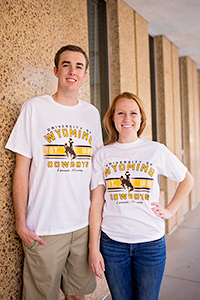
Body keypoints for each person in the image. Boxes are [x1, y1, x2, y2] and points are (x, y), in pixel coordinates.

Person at [6, 45, 103, 300]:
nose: (72, 71)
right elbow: (21, 169)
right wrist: (20, 223)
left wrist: (97, 224)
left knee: (77, 295)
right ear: (56, 70)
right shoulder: (34, 108)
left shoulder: (91, 114)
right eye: (66, 65)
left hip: (82, 226)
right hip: (45, 227)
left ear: (85, 74)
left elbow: (96, 174)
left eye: (79, 66)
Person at [89, 92, 194, 300]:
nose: (127, 119)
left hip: (150, 243)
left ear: (141, 118)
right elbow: (97, 202)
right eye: (121, 113)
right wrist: (94, 247)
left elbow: (187, 179)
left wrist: (170, 210)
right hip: (113, 244)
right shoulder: (103, 155)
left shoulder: (155, 150)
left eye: (133, 113)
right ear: (112, 118)